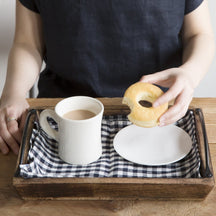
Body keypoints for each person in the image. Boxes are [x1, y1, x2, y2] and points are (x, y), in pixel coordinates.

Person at [0, 0, 215, 155]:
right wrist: (13, 93)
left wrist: (190, 74)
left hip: (161, 119)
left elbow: (199, 34)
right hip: (61, 117)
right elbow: (28, 43)